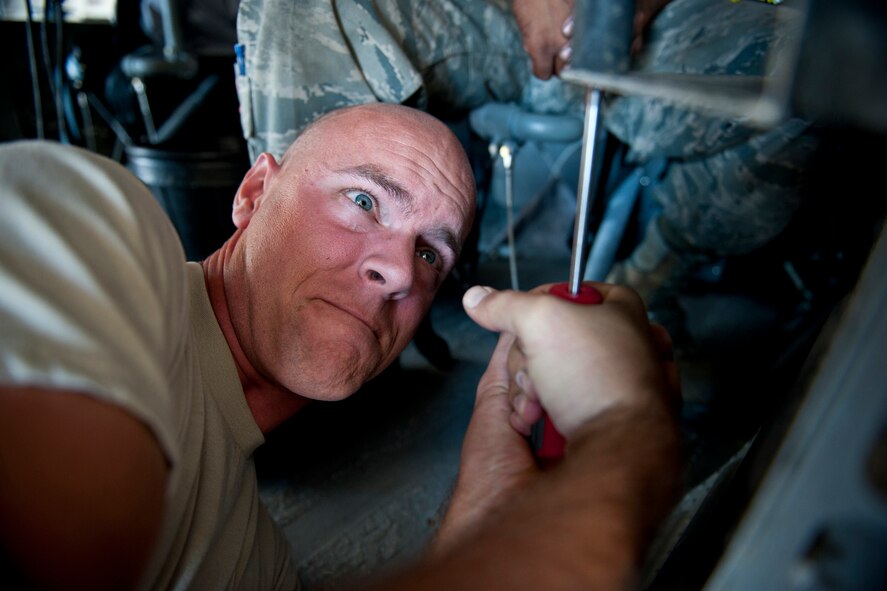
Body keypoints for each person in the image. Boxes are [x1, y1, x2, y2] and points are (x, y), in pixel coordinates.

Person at [0, 102, 680, 589]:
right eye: (362, 201)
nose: (398, 270)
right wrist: (623, 436)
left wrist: (487, 504)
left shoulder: (249, 558)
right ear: (255, 191)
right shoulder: (93, 222)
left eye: (429, 253)